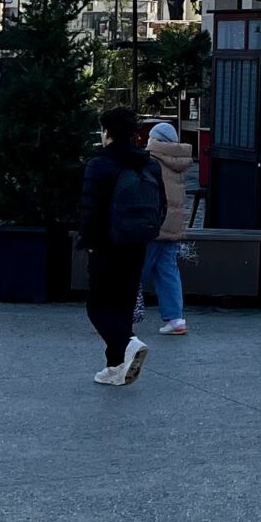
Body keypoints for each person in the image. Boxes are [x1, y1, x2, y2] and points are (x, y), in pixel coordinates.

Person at [78, 106, 159, 385]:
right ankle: (115, 368)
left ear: (108, 133)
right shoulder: (148, 163)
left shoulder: (100, 164)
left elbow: (91, 208)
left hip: (106, 244)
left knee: (98, 305)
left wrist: (88, 241)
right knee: (122, 304)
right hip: (137, 242)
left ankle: (127, 344)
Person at [139, 120, 192, 335]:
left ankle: (120, 314)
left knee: (135, 270)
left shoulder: (150, 159)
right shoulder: (180, 160)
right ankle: (176, 319)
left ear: (155, 139)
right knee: (168, 271)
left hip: (154, 222)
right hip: (173, 225)